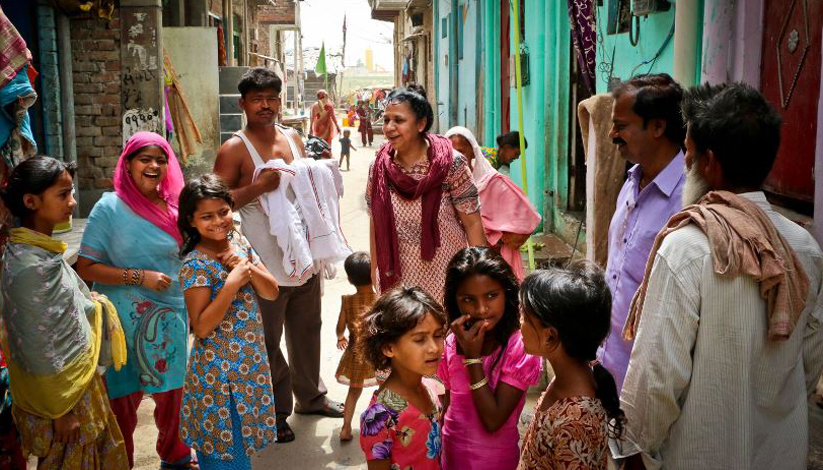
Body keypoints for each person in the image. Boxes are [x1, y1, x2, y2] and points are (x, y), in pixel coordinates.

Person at [613, 83, 823, 470]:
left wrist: (636, 452)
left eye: (688, 153)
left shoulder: (687, 247)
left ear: (709, 163)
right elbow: (807, 364)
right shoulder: (804, 248)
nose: (686, 162)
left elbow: (656, 380)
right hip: (779, 455)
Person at [213, 67, 344, 444]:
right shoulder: (235, 149)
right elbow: (215, 203)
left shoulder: (292, 137)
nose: (266, 106)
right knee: (266, 341)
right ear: (243, 104)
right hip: (262, 265)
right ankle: (275, 411)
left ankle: (311, 397)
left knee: (307, 331)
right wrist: (258, 187)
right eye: (258, 99)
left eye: (272, 98)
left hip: (303, 257)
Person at [0, 156, 129, 469]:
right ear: (31, 201)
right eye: (63, 194)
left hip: (76, 389)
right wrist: (61, 412)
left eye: (71, 192)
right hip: (64, 402)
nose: (72, 202)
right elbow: (38, 349)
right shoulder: (30, 267)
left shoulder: (37, 252)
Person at [76, 132, 195, 469]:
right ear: (127, 164)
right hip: (122, 320)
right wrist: (139, 277)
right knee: (122, 398)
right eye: (145, 159)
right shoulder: (109, 208)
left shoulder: (177, 206)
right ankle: (119, 461)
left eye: (161, 159)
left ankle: (175, 456)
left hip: (170, 316)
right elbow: (86, 266)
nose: (153, 165)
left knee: (173, 394)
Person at [177, 175, 279, 470]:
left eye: (223, 212)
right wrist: (231, 284)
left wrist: (245, 268)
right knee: (225, 455)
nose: (218, 221)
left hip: (248, 368)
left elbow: (271, 291)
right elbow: (202, 327)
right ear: (191, 221)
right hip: (219, 378)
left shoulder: (238, 242)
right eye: (206, 216)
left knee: (240, 450)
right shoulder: (195, 264)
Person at [596, 73, 686, 391]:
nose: (612, 134)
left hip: (647, 380)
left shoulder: (687, 201)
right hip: (607, 362)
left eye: (621, 126)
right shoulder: (631, 182)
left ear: (658, 127)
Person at [367, 85, 487, 303]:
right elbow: (376, 223)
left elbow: (472, 224)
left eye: (399, 120)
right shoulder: (379, 167)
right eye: (386, 120)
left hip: (446, 280)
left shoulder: (450, 164)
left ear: (421, 124)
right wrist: (376, 279)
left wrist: (482, 278)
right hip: (398, 284)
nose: (389, 128)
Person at [437, 247, 542, 469]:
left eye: (491, 296)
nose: (481, 309)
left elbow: (493, 420)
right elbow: (449, 405)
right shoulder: (453, 342)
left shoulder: (519, 348)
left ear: (507, 293)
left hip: (495, 462)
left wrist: (472, 358)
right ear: (455, 301)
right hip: (451, 456)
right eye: (468, 299)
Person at [517, 263, 625, 470]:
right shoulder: (568, 378)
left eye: (525, 316)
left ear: (550, 337)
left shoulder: (575, 422)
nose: (519, 322)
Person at [359, 287, 447, 470]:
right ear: (389, 348)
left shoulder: (430, 387)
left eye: (438, 335)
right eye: (420, 339)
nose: (434, 348)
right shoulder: (379, 416)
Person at [445, 127, 541, 280]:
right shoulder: (441, 184)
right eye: (450, 152)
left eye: (461, 152)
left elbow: (523, 212)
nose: (455, 157)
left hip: (484, 256)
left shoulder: (489, 179)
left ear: (473, 153)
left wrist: (498, 237)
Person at [334, 252, 378, 442]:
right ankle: (387, 424)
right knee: (386, 387)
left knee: (353, 391)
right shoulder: (381, 298)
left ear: (350, 279)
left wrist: (340, 337)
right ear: (374, 274)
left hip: (357, 354)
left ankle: (345, 428)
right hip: (378, 353)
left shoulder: (347, 301)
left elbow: (340, 327)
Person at [310, 89, 340, 158]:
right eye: (326, 96)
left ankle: (319, 154)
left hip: (317, 127)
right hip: (327, 127)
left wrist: (310, 128)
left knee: (319, 140)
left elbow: (312, 118)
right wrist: (337, 126)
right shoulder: (329, 106)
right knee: (326, 141)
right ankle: (327, 154)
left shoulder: (314, 106)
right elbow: (333, 117)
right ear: (325, 96)